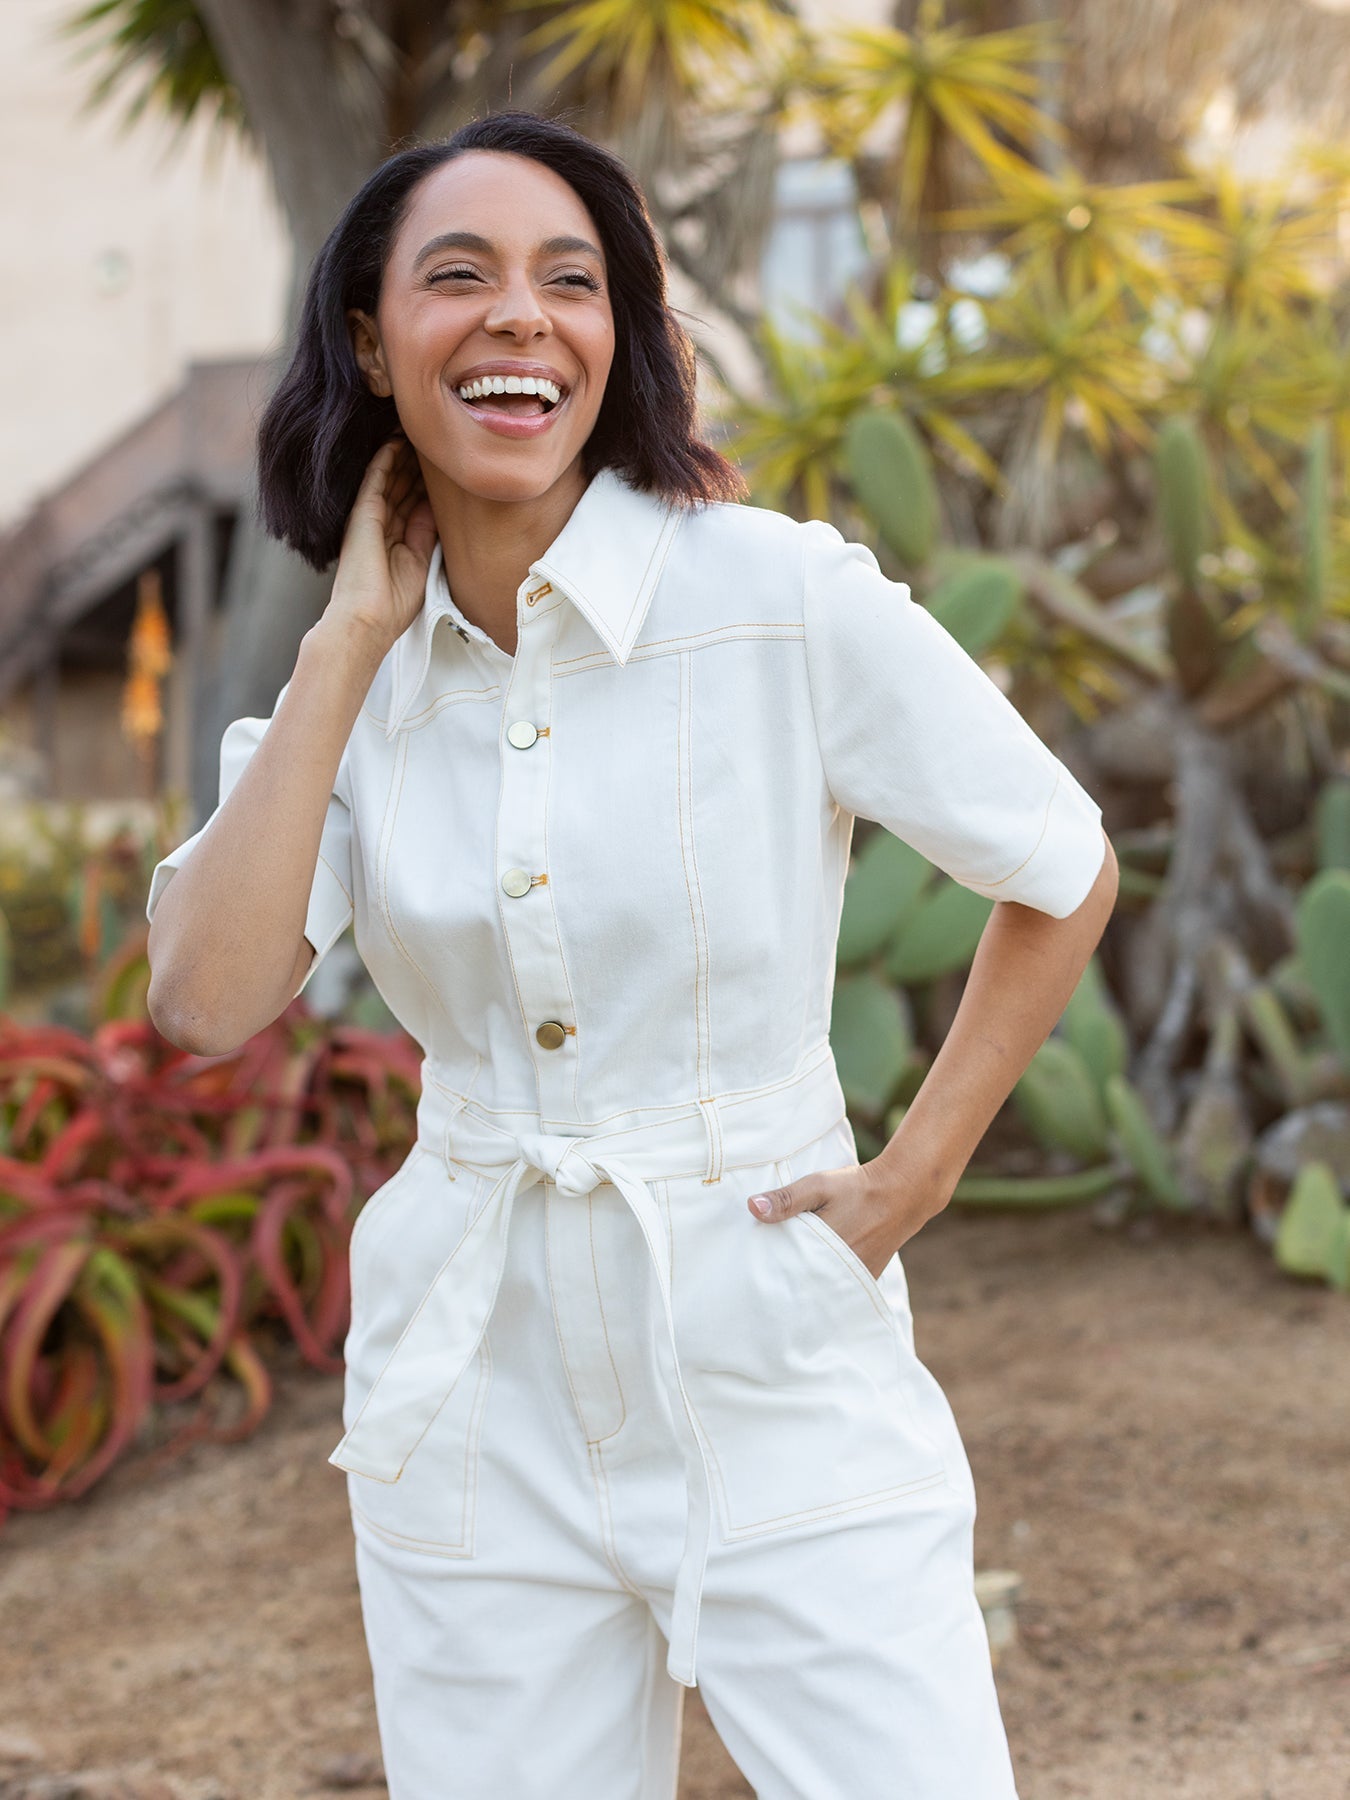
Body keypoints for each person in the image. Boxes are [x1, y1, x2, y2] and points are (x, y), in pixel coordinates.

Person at [145, 109, 1117, 1800]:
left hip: (768, 1333)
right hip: (470, 1381)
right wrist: (352, 635)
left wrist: (913, 1179)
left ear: (618, 338)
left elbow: (1058, 863)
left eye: (571, 280)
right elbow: (205, 1001)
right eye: (460, 276)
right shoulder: (350, 683)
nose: (520, 315)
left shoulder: (771, 596)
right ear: (371, 341)